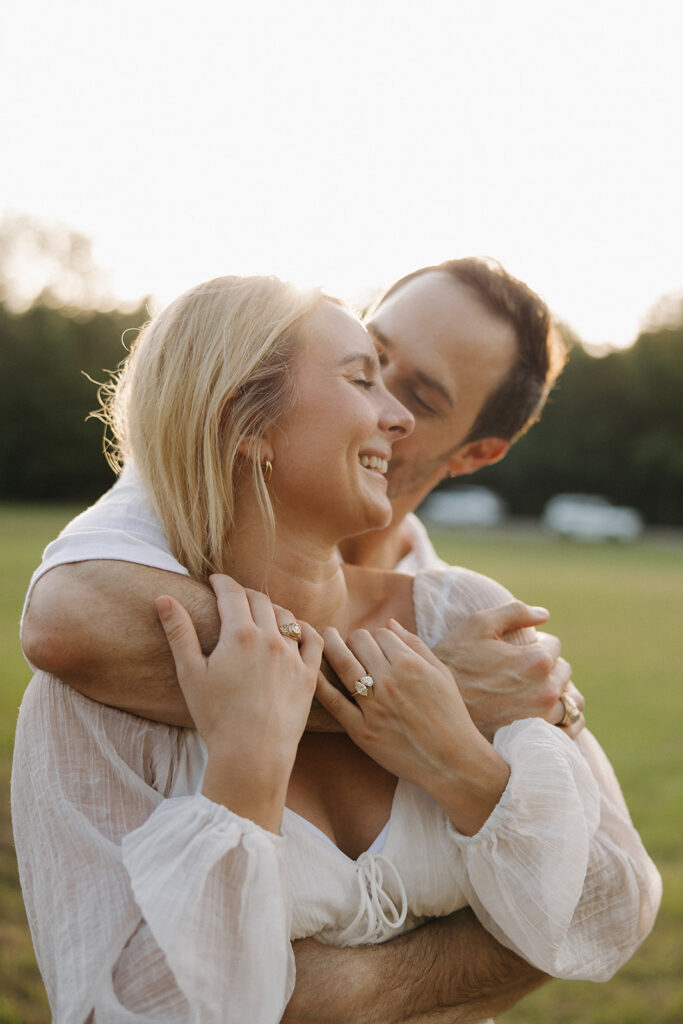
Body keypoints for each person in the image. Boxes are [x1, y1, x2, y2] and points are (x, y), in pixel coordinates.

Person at [13, 275, 661, 1023]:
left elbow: (607, 908)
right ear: (244, 420)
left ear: (474, 451)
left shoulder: (467, 614)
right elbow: (111, 1008)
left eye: (417, 397)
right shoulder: (105, 672)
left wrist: (464, 766)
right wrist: (248, 777)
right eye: (365, 372)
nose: (392, 416)